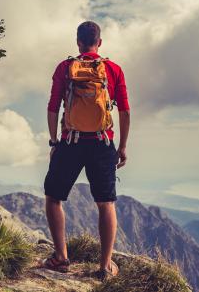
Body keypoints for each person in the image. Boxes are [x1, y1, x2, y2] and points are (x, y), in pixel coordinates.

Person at [41, 20, 130, 280]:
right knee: (106, 204)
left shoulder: (65, 67)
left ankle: (60, 258)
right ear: (99, 43)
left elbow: (52, 106)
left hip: (71, 141)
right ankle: (104, 267)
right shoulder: (113, 69)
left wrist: (54, 141)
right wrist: (122, 146)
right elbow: (124, 110)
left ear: (78, 42)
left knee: (54, 198)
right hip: (102, 142)